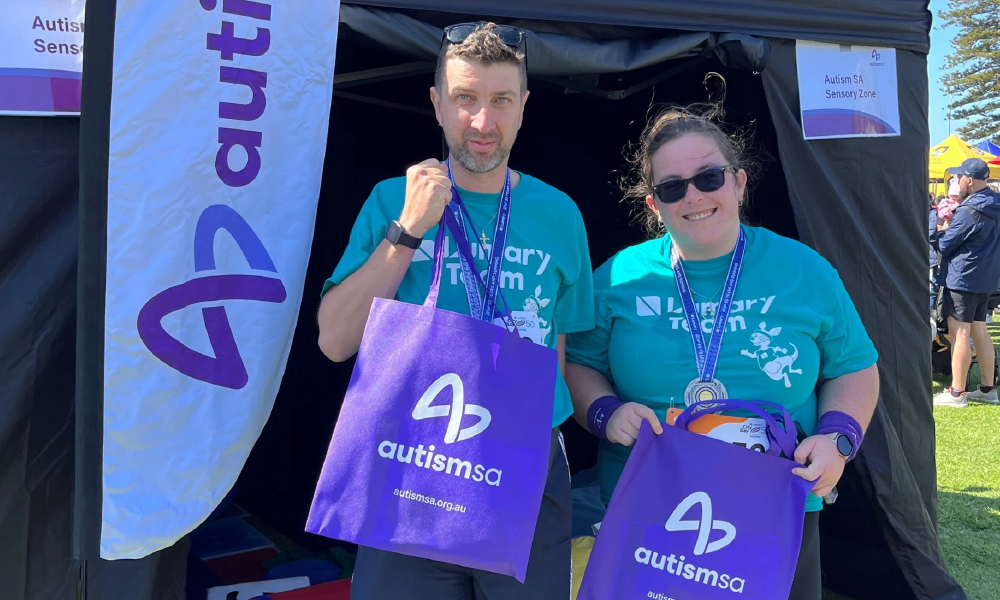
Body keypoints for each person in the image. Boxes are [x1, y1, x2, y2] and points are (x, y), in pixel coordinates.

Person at [316, 22, 594, 599]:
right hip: (412, 463)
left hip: (521, 469)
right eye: (465, 98)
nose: (483, 122)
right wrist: (408, 231)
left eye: (500, 101)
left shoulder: (559, 214)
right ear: (438, 105)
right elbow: (335, 340)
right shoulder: (392, 200)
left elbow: (558, 351)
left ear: (523, 108)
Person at [564, 106, 880, 600]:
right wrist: (605, 411)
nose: (694, 195)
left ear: (739, 183)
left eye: (709, 177)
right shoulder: (619, 277)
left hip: (776, 502)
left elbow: (855, 366)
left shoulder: (804, 270)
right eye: (673, 187)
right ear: (654, 205)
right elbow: (578, 362)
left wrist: (839, 439)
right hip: (650, 501)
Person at [932, 158, 1000, 407]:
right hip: (986, 278)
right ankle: (987, 388)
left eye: (959, 176)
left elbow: (946, 245)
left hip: (963, 277)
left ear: (969, 180)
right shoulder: (995, 205)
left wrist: (943, 228)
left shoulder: (968, 211)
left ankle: (957, 392)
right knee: (979, 332)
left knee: (959, 332)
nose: (956, 180)